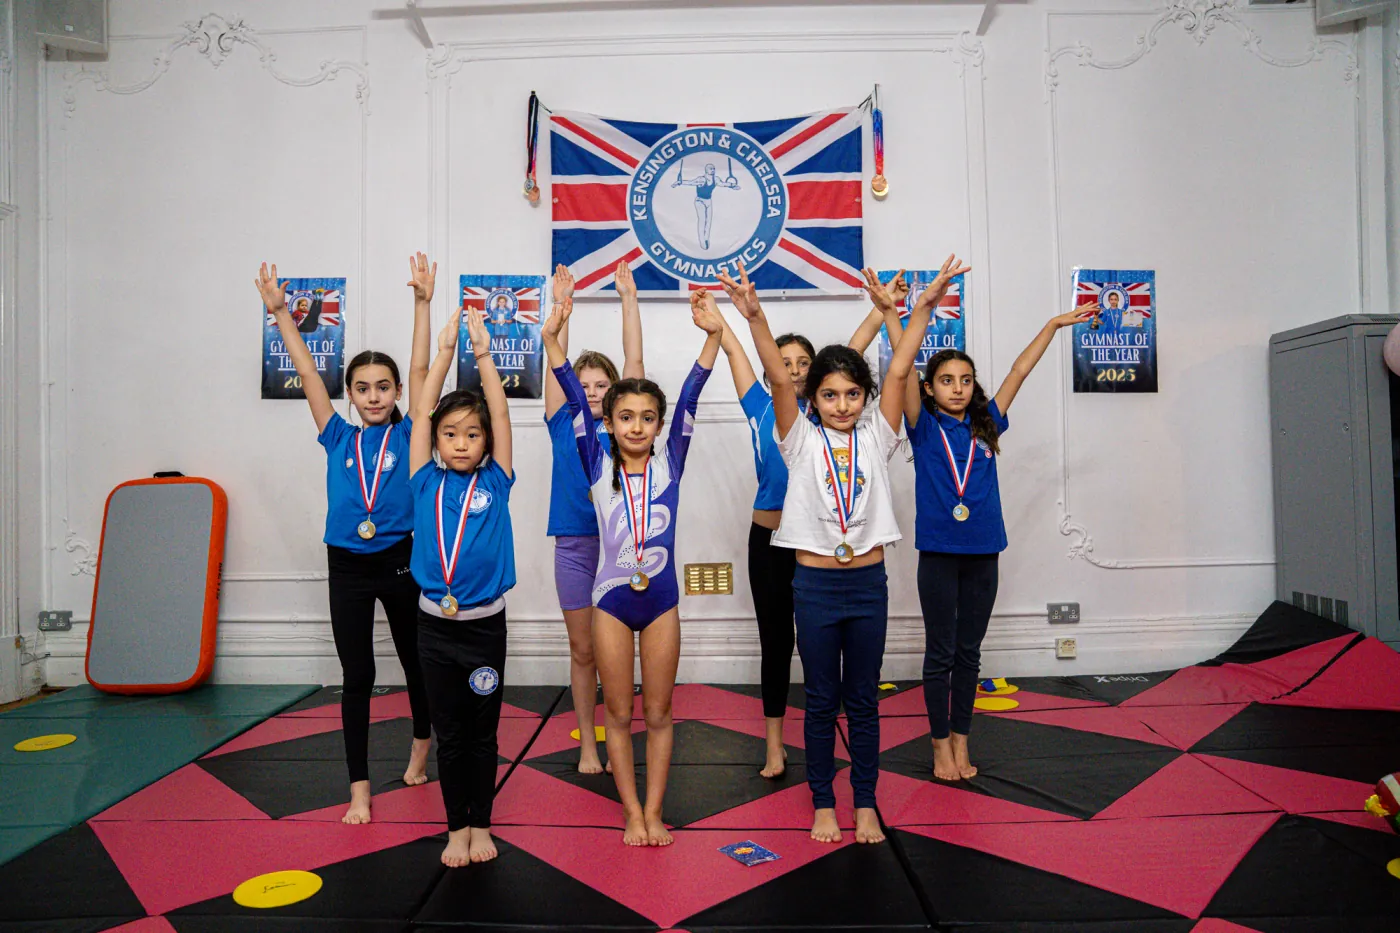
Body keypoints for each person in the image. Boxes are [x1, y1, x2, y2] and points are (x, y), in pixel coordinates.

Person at [722, 257, 957, 845]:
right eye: (831, 395)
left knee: (865, 701)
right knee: (823, 700)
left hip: (867, 586)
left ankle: (867, 803)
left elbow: (901, 366)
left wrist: (915, 312)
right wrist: (753, 318)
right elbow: (779, 379)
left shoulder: (880, 434)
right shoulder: (798, 438)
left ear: (865, 397)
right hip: (815, 587)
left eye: (853, 394)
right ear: (816, 399)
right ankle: (824, 800)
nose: (843, 404)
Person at [869, 265, 1096, 782]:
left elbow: (1018, 370)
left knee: (970, 653)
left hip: (983, 552)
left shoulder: (988, 423)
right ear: (930, 389)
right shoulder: (922, 427)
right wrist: (891, 314)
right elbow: (900, 372)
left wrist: (1054, 326)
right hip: (940, 554)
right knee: (940, 653)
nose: (957, 388)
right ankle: (939, 745)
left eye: (965, 381)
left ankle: (963, 741)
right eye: (947, 381)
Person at [253, 257, 435, 826]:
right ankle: (359, 787)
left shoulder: (411, 434)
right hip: (348, 566)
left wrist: (422, 303)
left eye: (384, 387)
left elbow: (424, 366)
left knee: (415, 664)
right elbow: (309, 374)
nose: (375, 396)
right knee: (357, 677)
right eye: (363, 389)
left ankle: (421, 744)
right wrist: (282, 313)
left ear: (397, 391)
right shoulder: (336, 437)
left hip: (403, 559)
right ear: (350, 395)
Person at [541, 290, 721, 847]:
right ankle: (630, 813)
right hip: (611, 604)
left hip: (661, 602)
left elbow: (692, 393)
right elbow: (572, 395)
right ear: (610, 422)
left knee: (660, 713)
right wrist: (552, 335)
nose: (637, 427)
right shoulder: (594, 460)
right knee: (618, 713)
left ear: (661, 424)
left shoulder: (672, 460)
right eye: (625, 417)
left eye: (647, 418)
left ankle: (656, 809)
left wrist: (713, 335)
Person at [714, 276, 909, 778]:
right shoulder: (769, 409)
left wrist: (882, 308)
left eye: (805, 363)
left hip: (827, 548)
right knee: (776, 640)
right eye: (788, 364)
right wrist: (737, 318)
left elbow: (858, 353)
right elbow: (754, 364)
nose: (795, 372)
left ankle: (839, 743)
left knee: (832, 657)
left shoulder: (829, 414)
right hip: (772, 540)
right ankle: (775, 744)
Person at [408, 306, 517, 867]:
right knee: (449, 735)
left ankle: (483, 823)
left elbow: (498, 409)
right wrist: (444, 352)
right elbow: (422, 412)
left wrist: (483, 355)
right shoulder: (422, 478)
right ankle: (456, 827)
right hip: (433, 628)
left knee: (483, 733)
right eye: (449, 434)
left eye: (472, 435)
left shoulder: (496, 478)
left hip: (483, 629)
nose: (459, 443)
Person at [543, 261, 644, 774]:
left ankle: (623, 735)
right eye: (583, 383)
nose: (593, 390)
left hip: (623, 547)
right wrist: (560, 310)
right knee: (583, 651)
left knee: (619, 652)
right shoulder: (562, 421)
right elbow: (553, 356)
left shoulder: (627, 427)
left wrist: (628, 298)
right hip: (576, 547)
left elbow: (634, 358)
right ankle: (588, 745)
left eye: (602, 383)